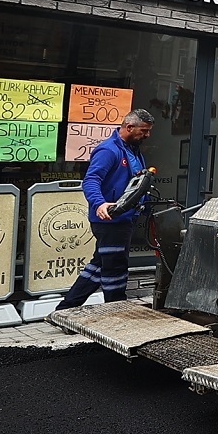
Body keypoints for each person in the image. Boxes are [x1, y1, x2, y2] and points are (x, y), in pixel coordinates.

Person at [56, 109, 153, 309]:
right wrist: (99, 203)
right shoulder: (109, 150)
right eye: (144, 131)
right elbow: (91, 180)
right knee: (115, 268)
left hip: (124, 219)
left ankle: (65, 309)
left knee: (99, 265)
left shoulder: (133, 150)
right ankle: (116, 309)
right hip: (110, 219)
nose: (147, 135)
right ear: (129, 127)